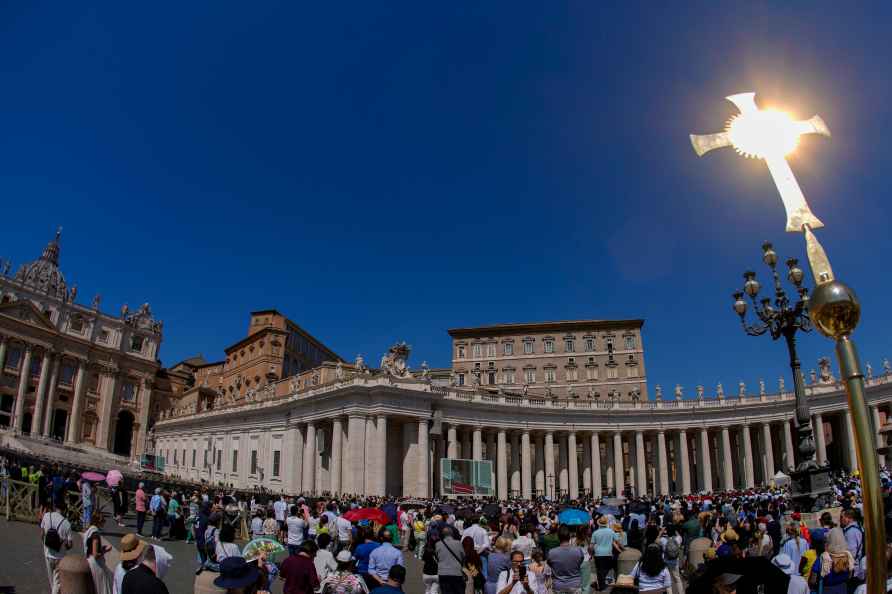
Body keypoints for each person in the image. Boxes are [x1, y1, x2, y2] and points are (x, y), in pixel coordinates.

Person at [40, 500, 73, 594]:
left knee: (52, 581)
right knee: (57, 582)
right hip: (60, 556)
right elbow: (70, 545)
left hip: (47, 553)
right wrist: (64, 545)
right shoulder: (67, 523)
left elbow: (41, 534)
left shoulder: (47, 516)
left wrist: (46, 544)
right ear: (64, 510)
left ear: (55, 508)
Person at [808, 528, 853, 594]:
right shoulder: (848, 557)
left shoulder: (823, 558)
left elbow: (812, 580)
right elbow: (849, 576)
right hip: (843, 589)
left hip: (826, 590)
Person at [547, 525, 585, 594]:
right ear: (569, 536)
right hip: (575, 584)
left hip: (559, 585)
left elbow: (550, 564)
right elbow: (580, 562)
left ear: (558, 537)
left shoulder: (551, 552)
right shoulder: (578, 550)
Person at [591, 515, 618, 591]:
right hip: (608, 553)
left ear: (599, 523)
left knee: (599, 570)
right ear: (606, 523)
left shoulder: (595, 533)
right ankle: (602, 584)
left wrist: (591, 553)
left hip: (598, 554)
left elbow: (591, 546)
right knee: (606, 569)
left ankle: (601, 584)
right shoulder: (611, 531)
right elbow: (617, 540)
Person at [437, 525, 466, 594]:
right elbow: (463, 556)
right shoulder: (458, 543)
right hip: (456, 572)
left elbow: (437, 557)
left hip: (443, 572)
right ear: (452, 533)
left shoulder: (438, 544)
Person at [840, 509, 865, 584]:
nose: (841, 519)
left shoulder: (851, 532)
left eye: (842, 517)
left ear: (849, 518)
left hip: (852, 571)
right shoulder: (857, 528)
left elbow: (851, 554)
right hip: (855, 568)